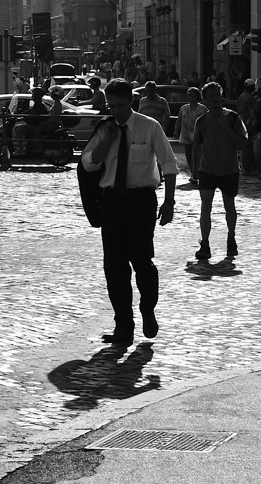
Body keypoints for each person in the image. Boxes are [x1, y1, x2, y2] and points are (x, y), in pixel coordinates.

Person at [80, 79, 178, 345]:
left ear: (131, 102)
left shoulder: (149, 127)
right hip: (112, 202)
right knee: (114, 267)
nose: (116, 111)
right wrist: (107, 139)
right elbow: (88, 164)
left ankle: (148, 308)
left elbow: (169, 165)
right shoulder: (106, 128)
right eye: (111, 106)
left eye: (120, 105)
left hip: (141, 201)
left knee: (141, 261)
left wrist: (169, 202)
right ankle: (123, 326)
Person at [192, 82, 247, 259]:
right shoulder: (201, 121)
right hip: (207, 170)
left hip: (229, 169)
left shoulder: (233, 117)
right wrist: (194, 170)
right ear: (205, 100)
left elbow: (243, 143)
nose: (215, 99)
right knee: (205, 207)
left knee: (229, 205)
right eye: (211, 96)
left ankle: (231, 239)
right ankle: (205, 244)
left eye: (218, 95)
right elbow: (197, 145)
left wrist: (227, 128)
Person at [177, 87, 208, 185]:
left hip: (198, 134)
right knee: (188, 155)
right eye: (188, 95)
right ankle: (192, 172)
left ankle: (197, 173)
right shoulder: (184, 108)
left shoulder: (202, 109)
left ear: (196, 96)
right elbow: (179, 120)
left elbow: (206, 122)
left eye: (191, 95)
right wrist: (176, 130)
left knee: (197, 154)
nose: (189, 97)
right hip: (186, 134)